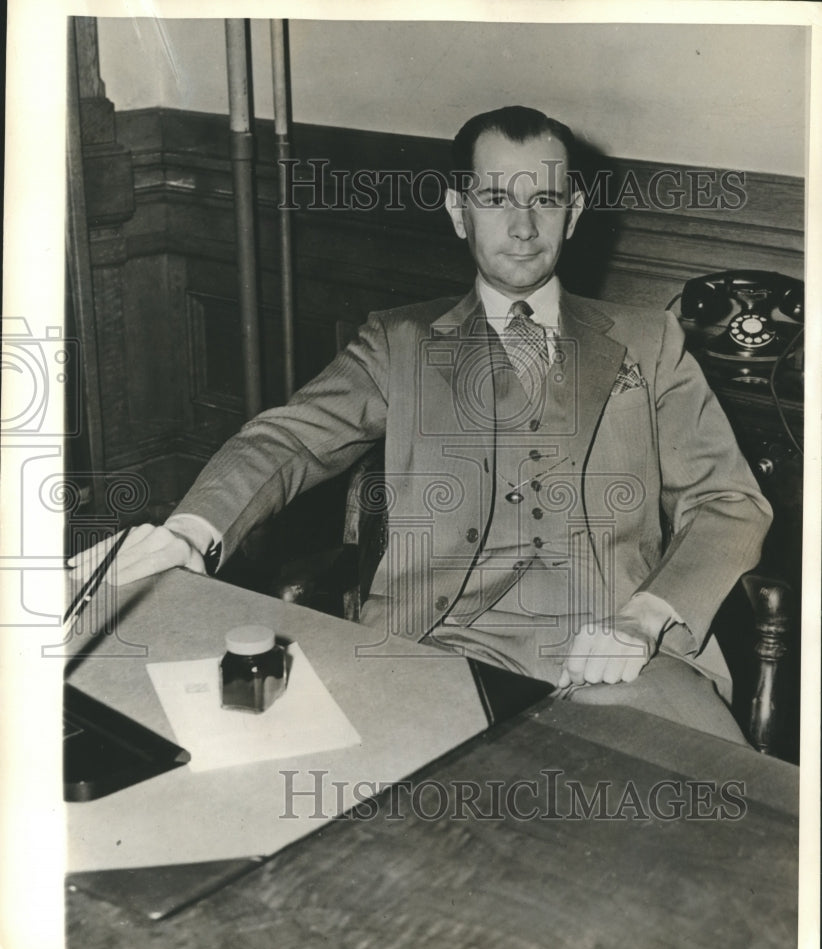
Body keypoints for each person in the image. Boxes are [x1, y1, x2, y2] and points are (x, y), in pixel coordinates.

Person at [70, 106, 771, 743]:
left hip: (622, 657)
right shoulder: (397, 342)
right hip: (434, 654)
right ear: (459, 211)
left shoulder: (649, 341)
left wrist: (645, 616)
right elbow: (283, 440)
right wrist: (190, 533)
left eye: (545, 199)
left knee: (719, 830)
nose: (523, 225)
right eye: (497, 198)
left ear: (575, 211)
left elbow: (729, 502)